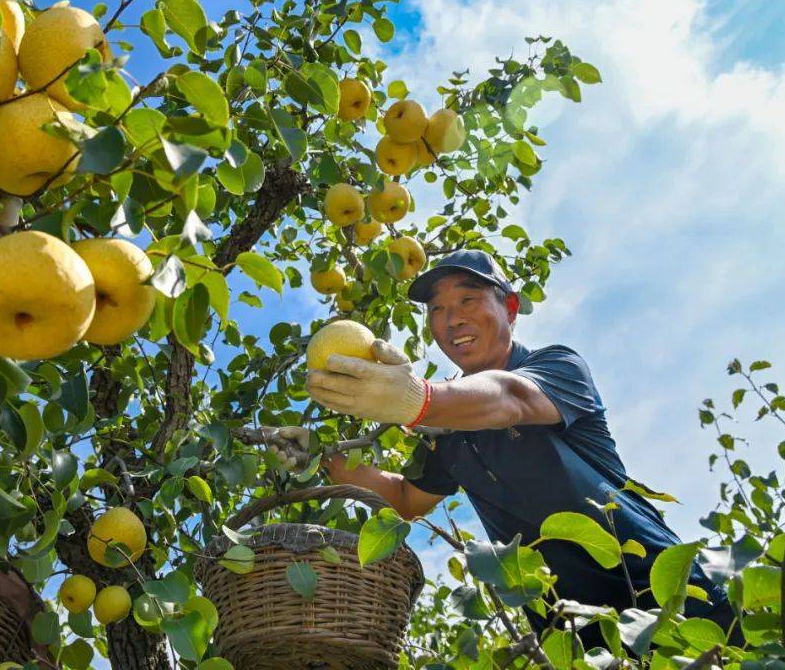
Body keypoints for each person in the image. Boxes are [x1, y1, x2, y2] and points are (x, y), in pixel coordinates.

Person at [297, 249, 737, 644]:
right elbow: (408, 499)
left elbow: (510, 399)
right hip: (572, 635)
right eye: (438, 310)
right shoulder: (447, 425)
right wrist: (321, 457)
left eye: (468, 301)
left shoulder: (555, 366)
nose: (452, 319)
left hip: (664, 597)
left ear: (510, 308)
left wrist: (420, 401)